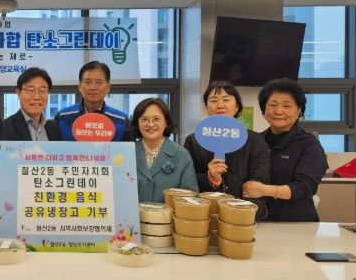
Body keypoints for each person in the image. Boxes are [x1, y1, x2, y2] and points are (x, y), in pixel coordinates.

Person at [242, 78, 328, 222]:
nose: (278, 111)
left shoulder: (309, 145)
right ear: (264, 109)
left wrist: (264, 190)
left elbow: (305, 188)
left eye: (287, 106)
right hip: (257, 221)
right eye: (272, 105)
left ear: (299, 110)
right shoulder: (255, 141)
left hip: (296, 222)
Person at [183, 81, 270, 218]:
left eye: (226, 99)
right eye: (213, 100)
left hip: (242, 216)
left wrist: (241, 214)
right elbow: (187, 182)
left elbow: (259, 182)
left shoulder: (254, 140)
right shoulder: (193, 141)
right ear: (206, 107)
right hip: (205, 215)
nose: (220, 105)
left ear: (237, 107)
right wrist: (209, 177)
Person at [130, 98, 197, 203]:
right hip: (131, 213)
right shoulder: (128, 153)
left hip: (170, 214)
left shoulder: (181, 154)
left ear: (166, 123)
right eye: (144, 119)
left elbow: (190, 196)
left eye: (156, 119)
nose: (150, 124)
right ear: (137, 123)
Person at [55, 61, 129, 141]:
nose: (93, 87)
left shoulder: (121, 120)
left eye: (99, 82)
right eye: (88, 82)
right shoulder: (62, 117)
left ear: (108, 87)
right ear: (80, 86)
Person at [0, 67, 61, 141]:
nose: (37, 97)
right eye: (30, 90)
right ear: (18, 93)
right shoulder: (4, 127)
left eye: (42, 90)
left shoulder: (54, 127)